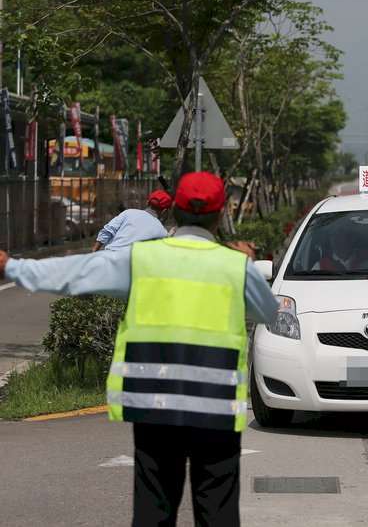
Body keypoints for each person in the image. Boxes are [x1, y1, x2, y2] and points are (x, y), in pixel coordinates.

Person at [0, 171, 278, 526]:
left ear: (175, 211)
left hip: (153, 405)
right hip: (215, 407)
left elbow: (77, 272)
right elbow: (269, 312)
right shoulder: (235, 266)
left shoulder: (141, 259)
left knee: (153, 508)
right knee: (217, 509)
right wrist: (247, 266)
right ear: (219, 214)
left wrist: (12, 267)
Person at [92, 189, 173, 252]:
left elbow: (107, 231)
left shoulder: (128, 212)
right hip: (129, 265)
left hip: (108, 257)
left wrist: (93, 253)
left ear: (147, 203)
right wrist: (169, 236)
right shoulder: (162, 232)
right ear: (164, 211)